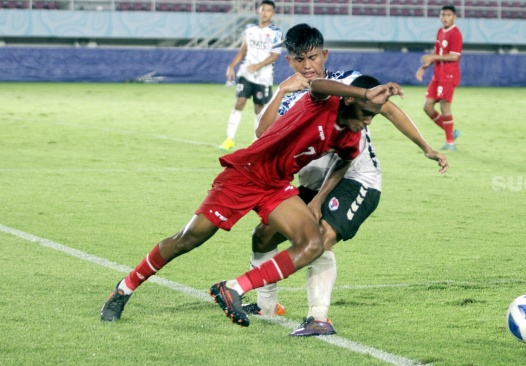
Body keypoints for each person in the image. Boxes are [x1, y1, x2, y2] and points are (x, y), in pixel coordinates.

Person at [100, 75, 405, 326]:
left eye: (373, 117)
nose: (367, 123)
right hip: (244, 175)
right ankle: (123, 289)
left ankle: (234, 288)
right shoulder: (320, 103)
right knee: (187, 239)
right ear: (350, 101)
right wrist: (365, 91)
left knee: (312, 243)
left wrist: (320, 198)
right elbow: (317, 85)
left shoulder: (350, 137)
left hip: (276, 186)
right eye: (366, 114)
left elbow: (344, 161)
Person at [242, 23, 449, 336]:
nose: (307, 66)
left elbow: (389, 110)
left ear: (324, 55)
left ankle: (319, 318)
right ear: (289, 62)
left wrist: (426, 148)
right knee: (263, 235)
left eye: (312, 57)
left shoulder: (346, 82)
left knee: (320, 238)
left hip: (356, 178)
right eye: (299, 60)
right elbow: (262, 134)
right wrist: (284, 89)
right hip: (313, 183)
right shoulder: (287, 97)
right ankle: (267, 304)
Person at [219, 0, 283, 151]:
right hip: (247, 74)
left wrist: (258, 66)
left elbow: (274, 56)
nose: (265, 12)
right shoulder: (250, 29)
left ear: (272, 13)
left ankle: (256, 142)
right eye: (263, 10)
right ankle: (229, 139)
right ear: (258, 11)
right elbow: (243, 51)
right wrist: (231, 66)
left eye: (268, 10)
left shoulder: (276, 33)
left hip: (264, 78)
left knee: (259, 109)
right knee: (239, 102)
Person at [416, 4, 462, 151]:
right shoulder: (440, 31)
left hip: (448, 75)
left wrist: (433, 56)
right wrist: (424, 67)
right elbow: (437, 53)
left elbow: (454, 57)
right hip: (437, 76)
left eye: (448, 15)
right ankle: (452, 132)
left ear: (454, 17)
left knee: (444, 106)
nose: (445, 18)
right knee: (427, 107)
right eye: (443, 15)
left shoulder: (455, 33)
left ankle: (450, 143)